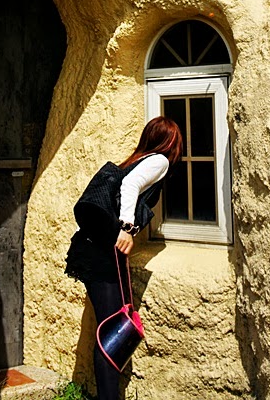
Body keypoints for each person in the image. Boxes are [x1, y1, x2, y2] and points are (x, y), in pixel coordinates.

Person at [65, 116, 183, 400]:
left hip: (91, 247)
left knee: (110, 328)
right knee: (112, 332)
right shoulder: (159, 162)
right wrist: (128, 229)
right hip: (102, 253)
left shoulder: (136, 158)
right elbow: (129, 186)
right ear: (170, 143)